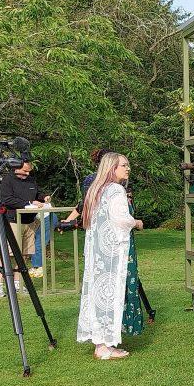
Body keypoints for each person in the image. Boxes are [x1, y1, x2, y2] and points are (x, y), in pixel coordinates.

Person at [76, 153, 144, 360]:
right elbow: (121, 219)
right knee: (110, 294)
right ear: (111, 168)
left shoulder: (96, 190)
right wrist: (136, 222)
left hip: (98, 252)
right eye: (123, 165)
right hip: (113, 252)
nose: (128, 168)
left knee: (98, 294)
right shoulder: (115, 189)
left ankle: (100, 342)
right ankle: (104, 347)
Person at [0, 160, 49, 298]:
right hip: (13, 221)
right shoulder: (7, 180)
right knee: (8, 254)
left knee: (24, 254)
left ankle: (18, 284)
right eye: (25, 171)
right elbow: (6, 200)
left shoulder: (31, 180)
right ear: (16, 169)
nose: (27, 174)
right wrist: (28, 203)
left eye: (29, 171)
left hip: (30, 221)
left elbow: (37, 193)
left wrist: (43, 197)